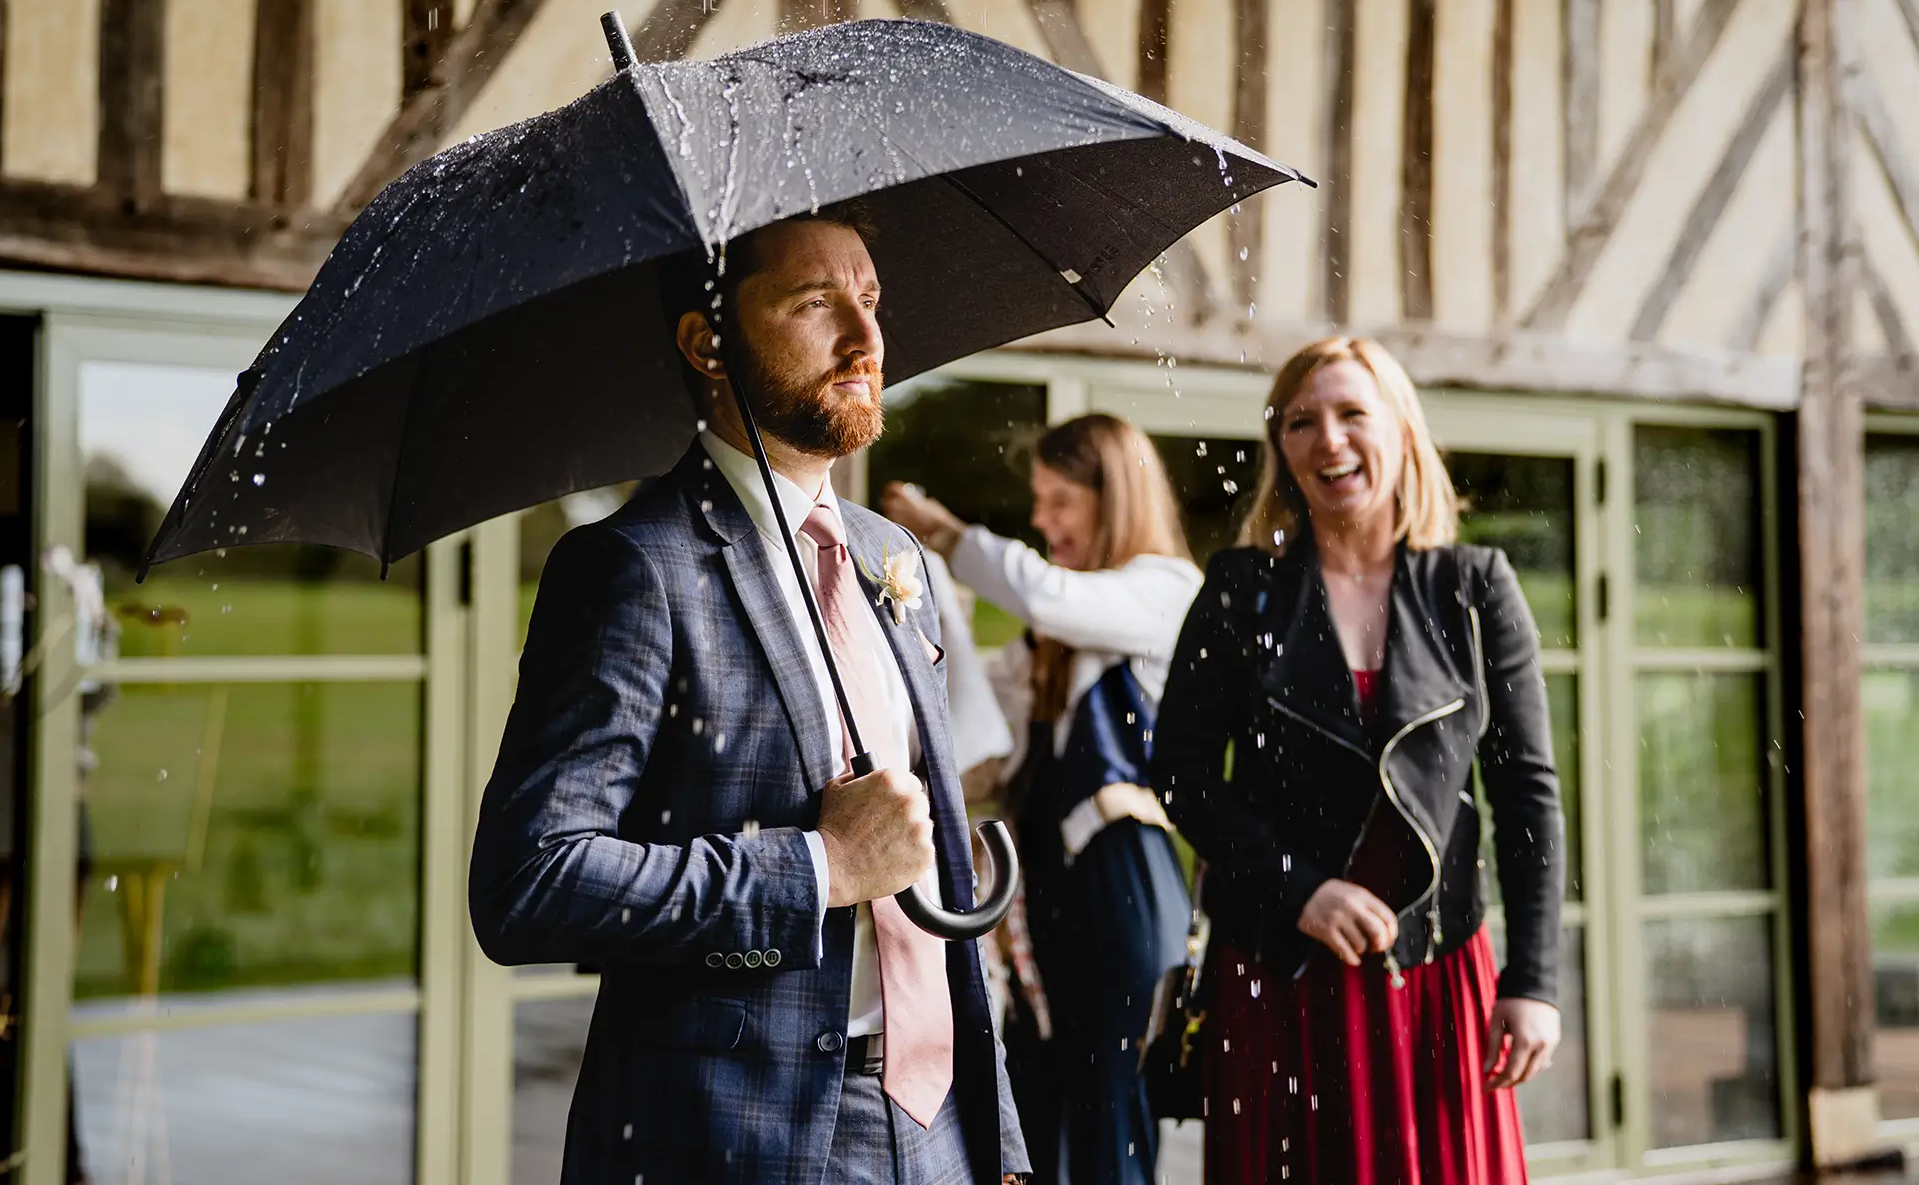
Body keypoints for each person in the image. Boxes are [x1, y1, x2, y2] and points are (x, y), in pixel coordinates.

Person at [468, 211, 1029, 1185]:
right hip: (742, 1139)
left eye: (869, 298)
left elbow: (924, 862)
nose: (864, 339)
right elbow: (529, 884)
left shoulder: (890, 558)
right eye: (815, 304)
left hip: (938, 1128)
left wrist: (997, 1141)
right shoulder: (632, 570)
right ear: (705, 342)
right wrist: (816, 869)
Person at [1150, 336, 1564, 1184]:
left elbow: (1528, 795)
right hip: (1278, 966)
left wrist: (1536, 979)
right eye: (1301, 422)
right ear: (1282, 450)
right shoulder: (1238, 588)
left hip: (1438, 973)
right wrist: (1298, 885)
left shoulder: (1475, 586)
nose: (1328, 440)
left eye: (1351, 415)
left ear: (1402, 432)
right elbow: (1182, 774)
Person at [882, 414, 1200, 1185]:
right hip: (1049, 888)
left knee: (1110, 1107)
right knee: (1039, 1098)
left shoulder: (1165, 589)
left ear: (1112, 498)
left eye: (1060, 500)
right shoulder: (1050, 637)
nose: (1040, 519)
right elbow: (985, 717)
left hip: (1124, 874)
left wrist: (943, 532)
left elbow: (1044, 594)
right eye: (1037, 500)